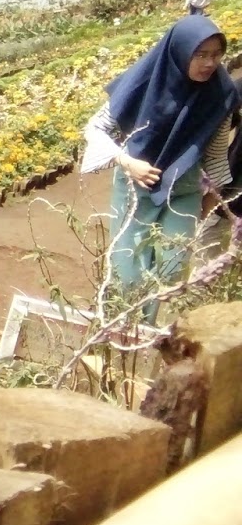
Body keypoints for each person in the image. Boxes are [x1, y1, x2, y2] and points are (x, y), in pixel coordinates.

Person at [82, 16, 236, 317]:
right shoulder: (144, 81)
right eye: (200, 54)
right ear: (179, 51)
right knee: (129, 272)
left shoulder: (221, 93)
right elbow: (95, 128)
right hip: (135, 188)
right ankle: (123, 333)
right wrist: (127, 162)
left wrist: (206, 202)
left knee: (172, 271)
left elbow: (216, 152)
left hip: (184, 191)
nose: (209, 63)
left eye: (215, 55)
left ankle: (151, 339)